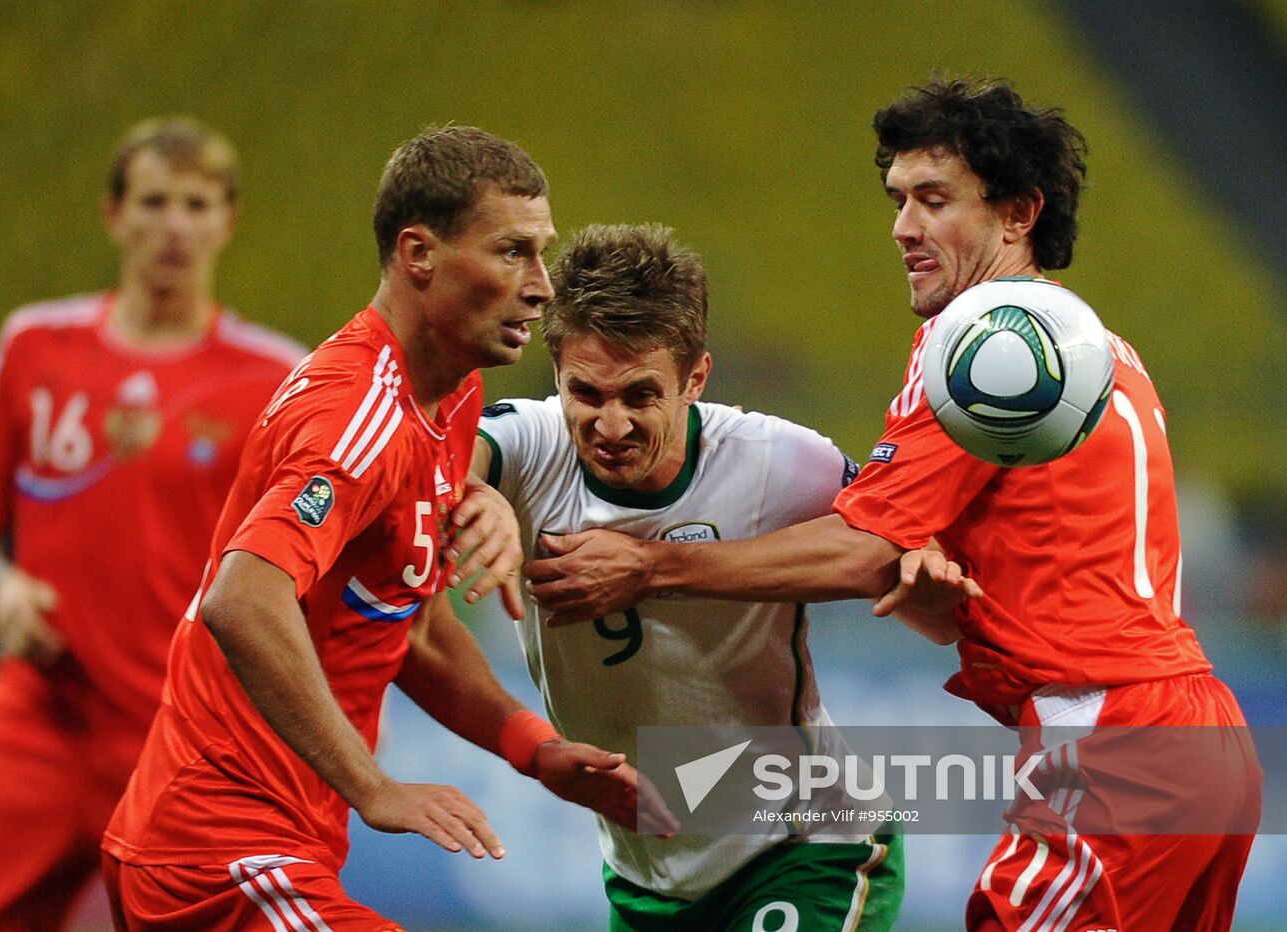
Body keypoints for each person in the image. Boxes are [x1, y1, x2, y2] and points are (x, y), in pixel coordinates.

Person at [524, 79, 1261, 931]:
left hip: (1113, 739)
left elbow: (863, 547)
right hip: (1196, 730)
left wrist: (651, 565)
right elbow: (953, 562)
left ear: (1019, 212)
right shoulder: (1086, 343)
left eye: (934, 199)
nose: (903, 228)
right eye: (898, 199)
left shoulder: (991, 347)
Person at [102, 126, 659, 931]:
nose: (541, 286)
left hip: (269, 843)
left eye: (543, 254)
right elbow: (244, 599)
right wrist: (373, 785)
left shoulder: (450, 400)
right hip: (218, 854)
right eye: (512, 252)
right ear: (418, 254)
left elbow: (413, 631)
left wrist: (533, 750)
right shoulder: (356, 414)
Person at [476, 223, 984, 930]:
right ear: (556, 370)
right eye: (586, 393)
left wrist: (923, 578)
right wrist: (465, 500)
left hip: (804, 844)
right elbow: (442, 466)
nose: (611, 425)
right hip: (644, 876)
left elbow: (896, 562)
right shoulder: (525, 446)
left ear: (696, 379)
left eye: (641, 396)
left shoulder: (781, 463)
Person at [0, 118, 308, 931]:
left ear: (227, 220)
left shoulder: (278, 378)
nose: (174, 225)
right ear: (113, 215)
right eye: (154, 201)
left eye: (197, 204)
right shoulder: (34, 347)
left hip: (189, 741)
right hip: (40, 726)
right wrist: (2, 585)